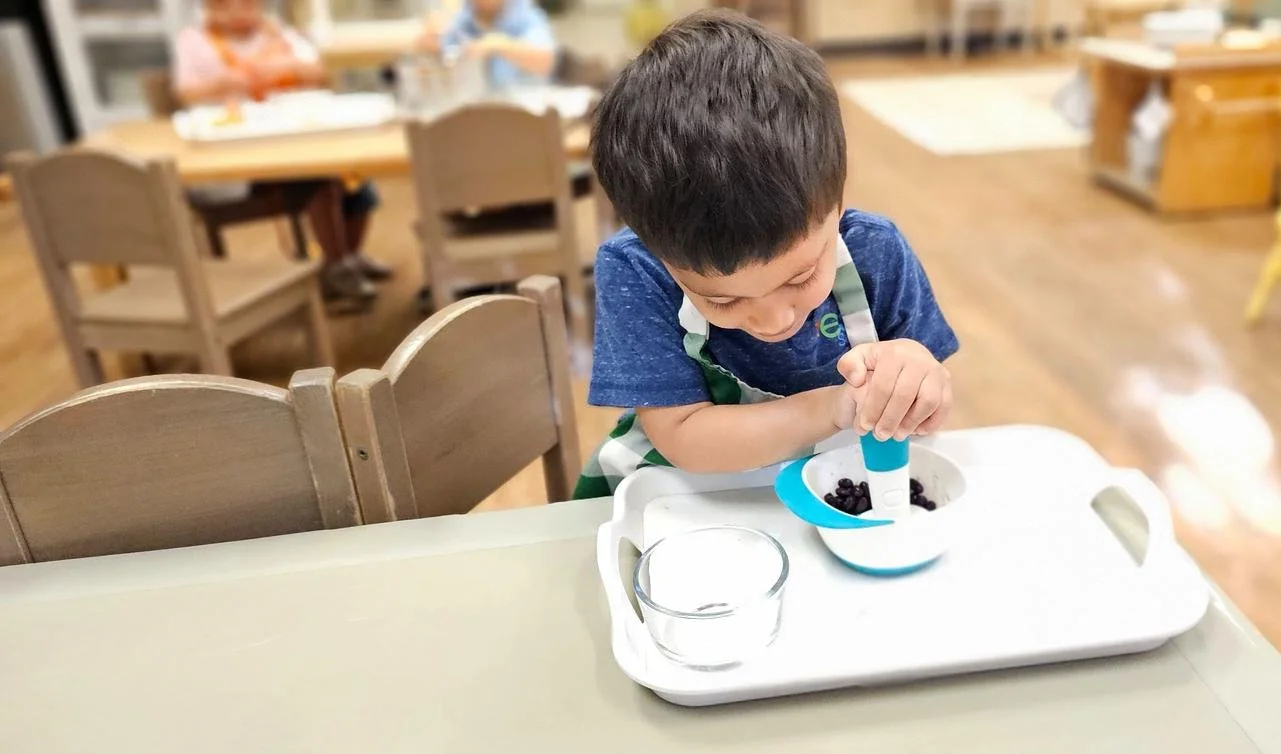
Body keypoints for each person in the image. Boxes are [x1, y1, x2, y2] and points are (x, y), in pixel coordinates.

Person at [573, 10, 959, 500]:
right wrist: (831, 408)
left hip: (829, 490)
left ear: (836, 204)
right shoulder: (636, 270)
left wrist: (918, 378)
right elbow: (684, 436)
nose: (774, 320)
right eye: (723, 301)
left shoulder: (875, 252)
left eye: (799, 278)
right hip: (680, 496)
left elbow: (929, 404)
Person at [173, 0, 390, 302]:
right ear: (209, 9)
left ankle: (348, 257)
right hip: (233, 158)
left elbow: (318, 73)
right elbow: (185, 92)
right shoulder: (195, 42)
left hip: (291, 140)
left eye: (247, 6)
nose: (238, 15)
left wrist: (290, 67)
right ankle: (338, 265)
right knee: (321, 179)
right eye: (225, 7)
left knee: (353, 177)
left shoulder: (278, 36)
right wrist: (221, 83)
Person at [418, 0, 558, 91]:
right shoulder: (462, 20)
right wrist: (431, 43)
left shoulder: (526, 17)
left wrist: (500, 44)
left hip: (524, 118)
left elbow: (548, 61)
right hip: (473, 118)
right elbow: (441, 50)